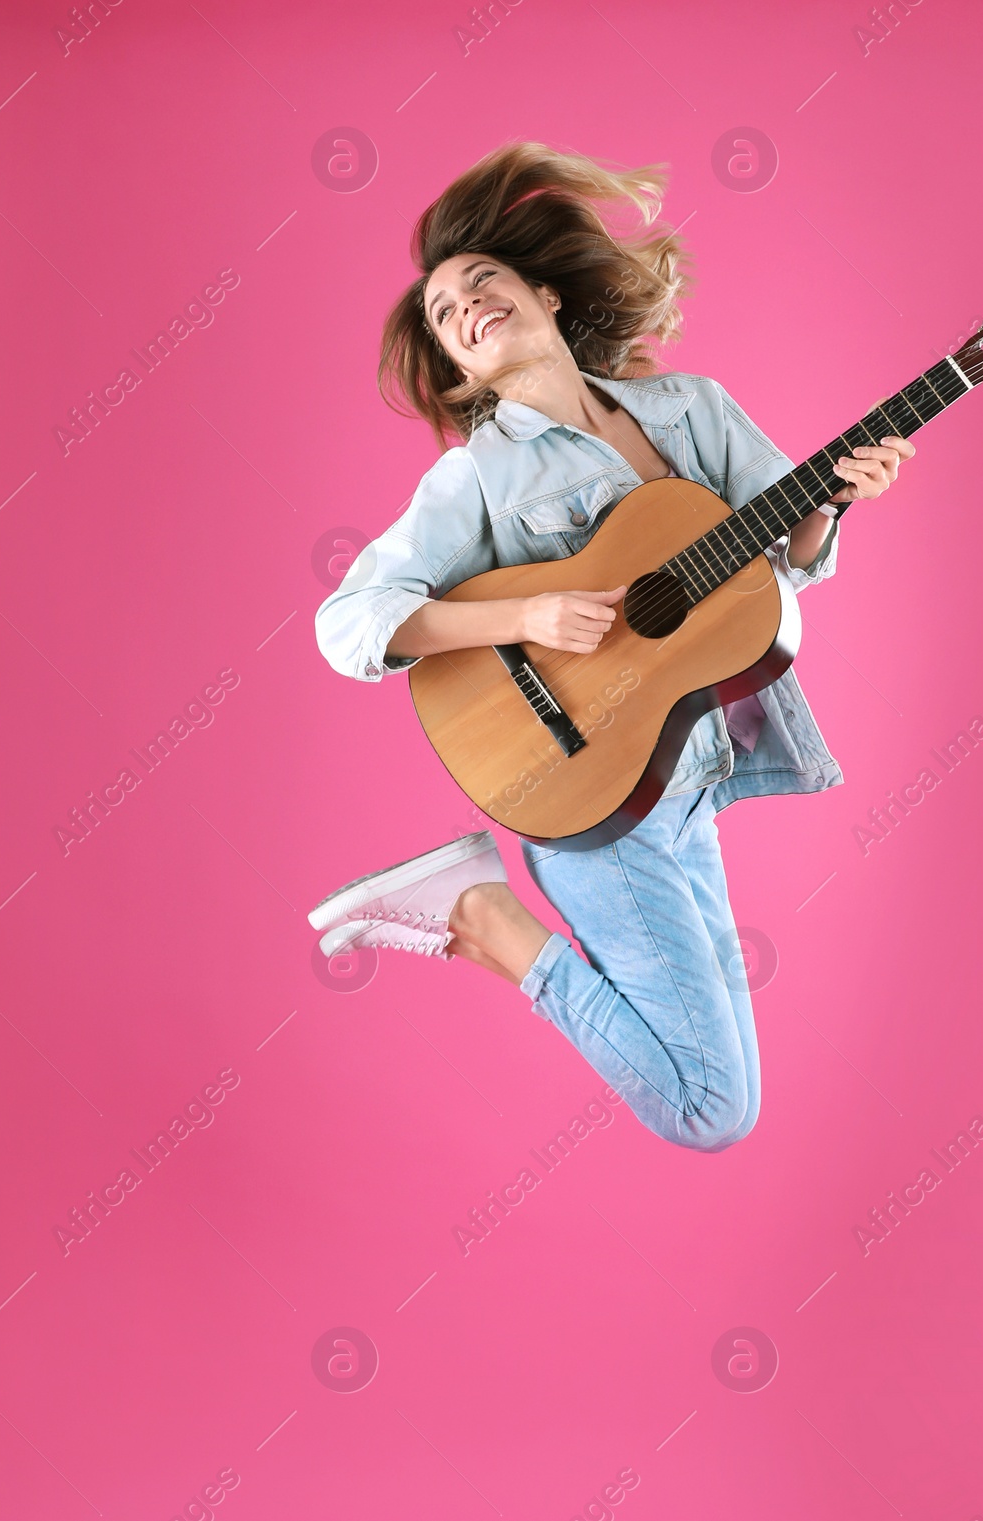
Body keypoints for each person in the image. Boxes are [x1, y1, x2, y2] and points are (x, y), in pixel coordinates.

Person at [313, 142, 914, 1151]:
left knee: (733, 1086)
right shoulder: (478, 480)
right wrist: (525, 616)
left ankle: (481, 908)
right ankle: (485, 915)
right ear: (458, 365)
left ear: (544, 295)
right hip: (582, 794)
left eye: (480, 284)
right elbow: (348, 623)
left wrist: (840, 498)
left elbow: (781, 563)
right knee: (709, 1110)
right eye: (442, 317)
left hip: (684, 780)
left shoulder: (694, 411)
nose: (462, 309)